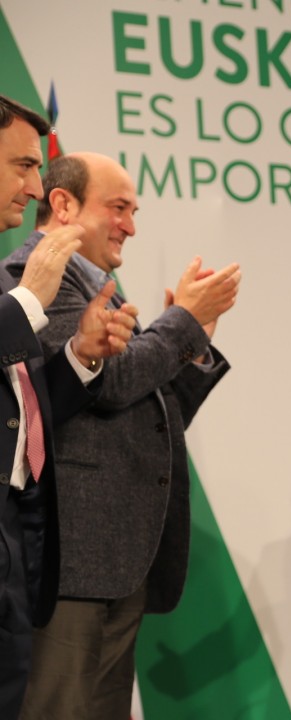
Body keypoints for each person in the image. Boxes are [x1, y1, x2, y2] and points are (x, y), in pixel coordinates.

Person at [3, 151, 241, 719]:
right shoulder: (36, 278)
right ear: (63, 204)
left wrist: (191, 345)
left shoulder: (97, 287)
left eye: (134, 211)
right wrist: (180, 324)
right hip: (71, 560)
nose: (130, 226)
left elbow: (150, 417)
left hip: (117, 561)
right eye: (118, 208)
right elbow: (107, 385)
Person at [0, 96, 136, 717]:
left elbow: (21, 412)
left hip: (16, 541)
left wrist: (81, 355)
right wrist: (29, 302)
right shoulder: (25, 279)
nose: (34, 187)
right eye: (23, 166)